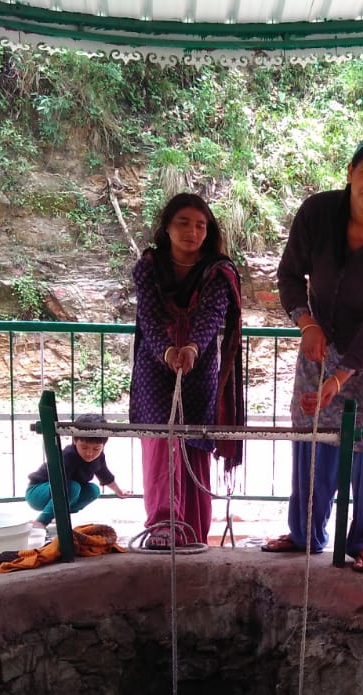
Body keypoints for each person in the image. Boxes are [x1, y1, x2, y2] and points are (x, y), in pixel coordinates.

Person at [263, 132, 363, 573]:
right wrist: (306, 324)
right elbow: (291, 274)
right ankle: (305, 533)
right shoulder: (317, 212)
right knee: (313, 429)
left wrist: (342, 375)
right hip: (322, 338)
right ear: (350, 172)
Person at [129, 193, 244, 549]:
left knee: (193, 440)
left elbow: (212, 315)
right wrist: (166, 351)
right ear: (167, 227)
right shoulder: (149, 265)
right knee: (162, 440)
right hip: (154, 360)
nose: (193, 232)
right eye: (184, 223)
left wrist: (192, 348)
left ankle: (193, 528)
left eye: (200, 225)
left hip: (199, 364)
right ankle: (163, 526)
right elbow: (149, 315)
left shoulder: (217, 270)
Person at [25, 413, 128, 531]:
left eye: (96, 449)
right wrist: (43, 520)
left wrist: (119, 492)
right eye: (84, 447)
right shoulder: (68, 456)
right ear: (75, 440)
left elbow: (105, 476)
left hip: (64, 492)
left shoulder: (99, 457)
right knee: (73, 487)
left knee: (93, 490)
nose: (90, 453)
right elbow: (61, 486)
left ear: (104, 445)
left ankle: (57, 514)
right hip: (38, 492)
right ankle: (41, 521)